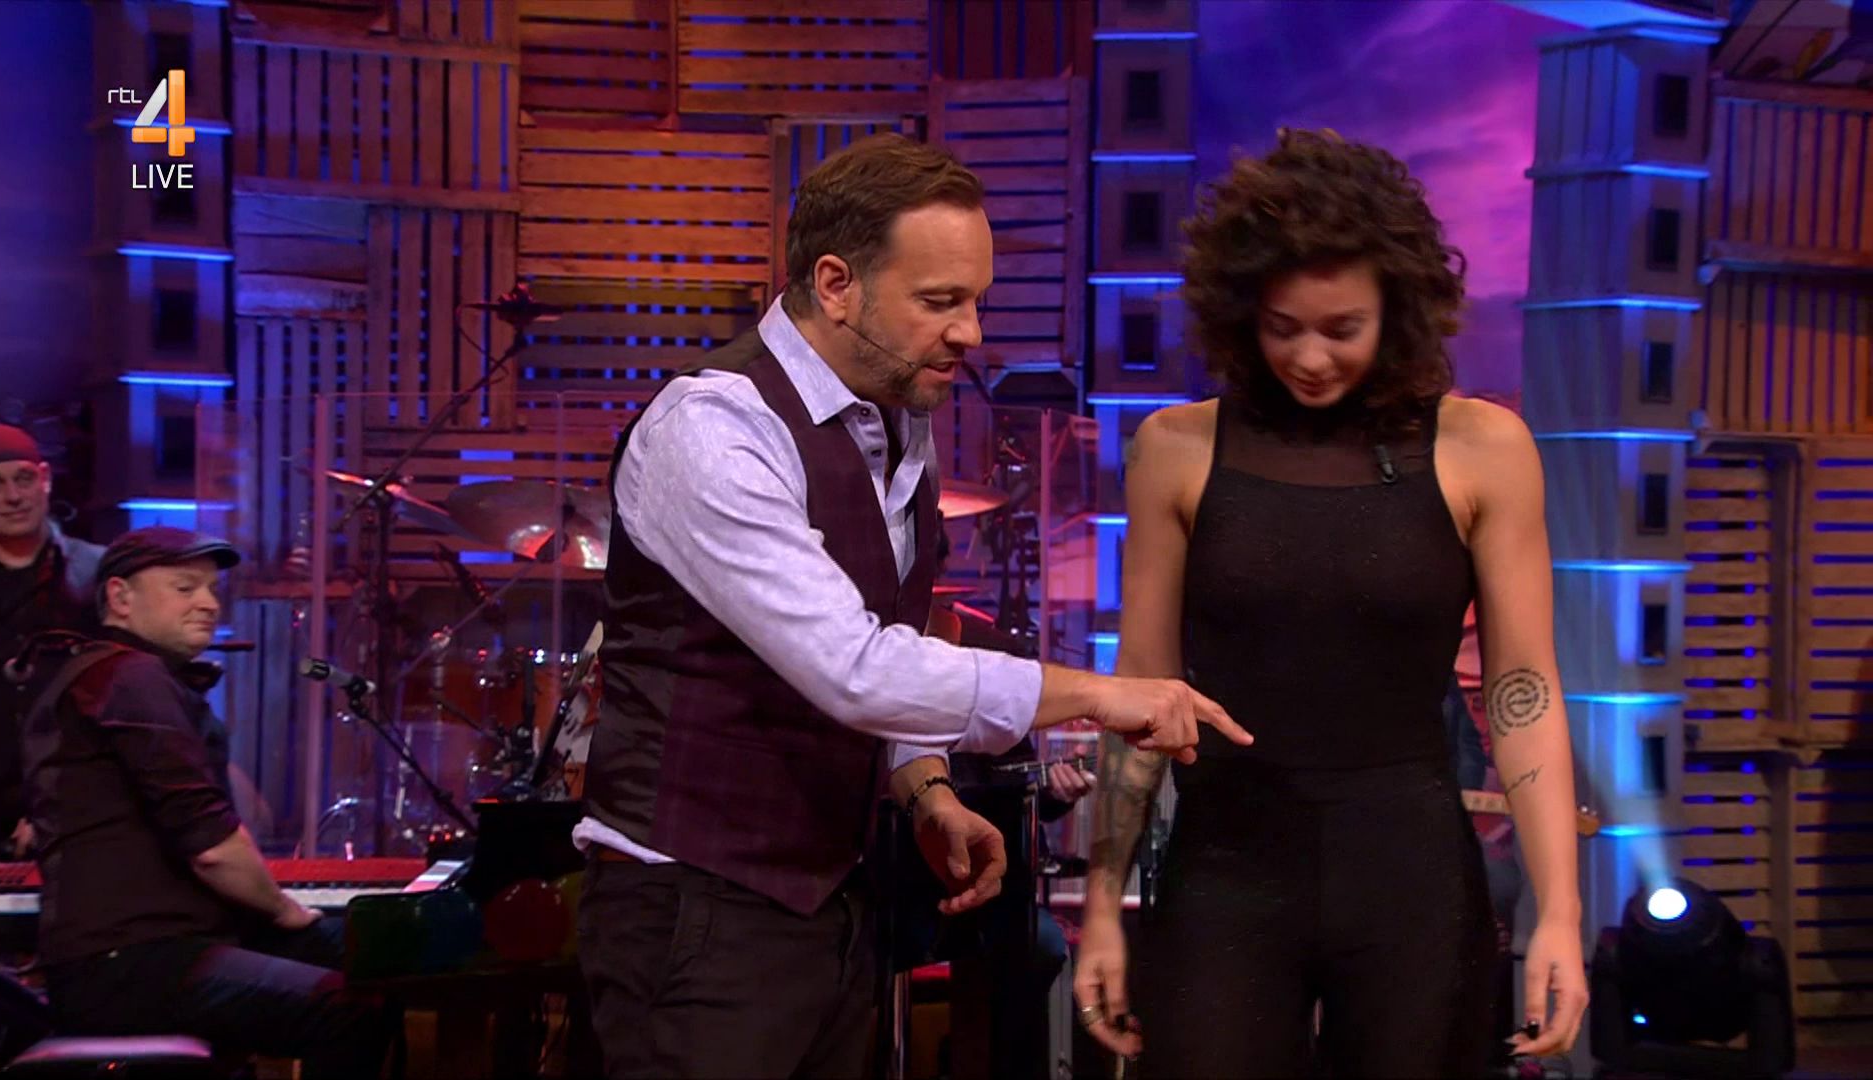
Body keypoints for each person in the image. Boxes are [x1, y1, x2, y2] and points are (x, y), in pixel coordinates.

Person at [576, 132, 1247, 1080]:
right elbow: (854, 669)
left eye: (977, 301)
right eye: (940, 302)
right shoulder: (713, 429)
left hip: (830, 906)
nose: (970, 332)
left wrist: (924, 788)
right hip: (692, 910)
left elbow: (890, 637)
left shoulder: (896, 419)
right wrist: (1105, 693)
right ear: (836, 284)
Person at [1074, 128, 1588, 1077]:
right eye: (1283, 327)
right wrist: (1104, 906)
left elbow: (1525, 692)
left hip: (1410, 882)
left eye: (1341, 328)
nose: (1309, 357)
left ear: (1397, 310)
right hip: (1225, 875)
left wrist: (1559, 912)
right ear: (1243, 313)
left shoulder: (1484, 449)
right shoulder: (1175, 450)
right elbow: (1142, 688)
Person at [19, 527, 389, 1076]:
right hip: (130, 962)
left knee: (373, 964)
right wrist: (285, 909)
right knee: (349, 1009)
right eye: (185, 587)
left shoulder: (119, 675)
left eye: (213, 589)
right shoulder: (128, 675)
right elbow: (210, 845)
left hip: (151, 950)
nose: (210, 603)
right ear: (120, 597)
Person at [0, 424, 103, 860]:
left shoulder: (98, 570)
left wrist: (62, 800)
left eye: (24, 478)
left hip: (74, 793)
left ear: (46, 478)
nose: (14, 496)